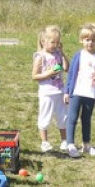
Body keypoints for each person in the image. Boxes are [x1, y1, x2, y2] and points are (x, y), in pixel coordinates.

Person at [64, 22, 95, 158]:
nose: (90, 43)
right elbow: (71, 74)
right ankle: (70, 144)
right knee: (72, 118)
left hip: (91, 92)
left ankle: (86, 145)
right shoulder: (78, 55)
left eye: (93, 40)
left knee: (86, 118)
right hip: (77, 91)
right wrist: (67, 92)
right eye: (87, 40)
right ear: (81, 40)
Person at [31, 25, 69, 153]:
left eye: (58, 42)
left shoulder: (58, 54)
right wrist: (49, 73)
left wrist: (62, 52)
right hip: (47, 92)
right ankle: (45, 142)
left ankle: (64, 140)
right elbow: (34, 76)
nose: (56, 45)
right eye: (53, 42)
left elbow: (66, 68)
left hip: (60, 91)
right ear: (44, 42)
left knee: (63, 116)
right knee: (45, 116)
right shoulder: (40, 56)